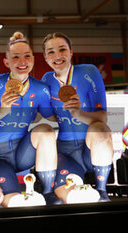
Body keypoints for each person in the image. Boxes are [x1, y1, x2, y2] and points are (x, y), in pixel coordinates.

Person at [0, 32, 58, 207]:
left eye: (27, 56)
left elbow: (54, 117)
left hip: (22, 152)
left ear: (33, 59)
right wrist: (1, 110)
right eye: (16, 57)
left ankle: (49, 192)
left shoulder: (41, 89)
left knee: (46, 131)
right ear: (7, 62)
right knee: (13, 198)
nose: (22, 62)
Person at [41, 32, 113, 202]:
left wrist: (78, 113)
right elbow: (49, 116)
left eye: (62, 49)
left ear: (71, 52)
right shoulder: (46, 79)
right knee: (72, 197)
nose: (57, 56)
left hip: (90, 147)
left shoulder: (89, 72)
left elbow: (102, 117)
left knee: (101, 129)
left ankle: (102, 192)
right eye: (51, 52)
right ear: (45, 58)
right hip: (66, 153)